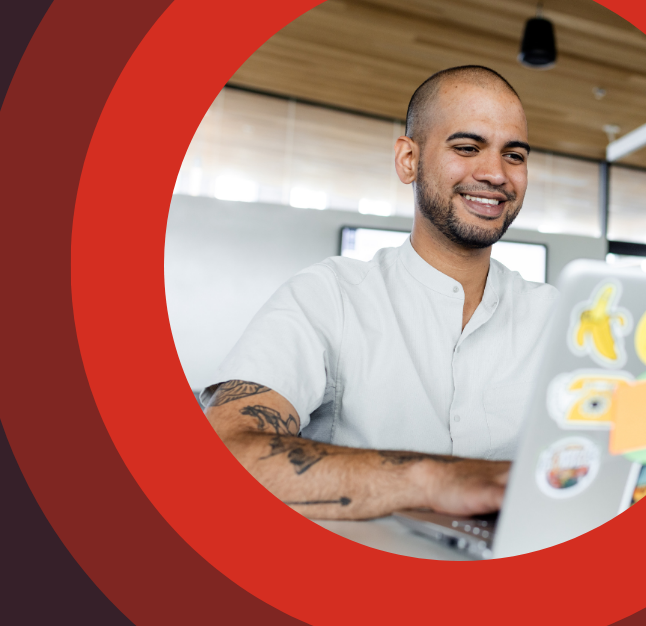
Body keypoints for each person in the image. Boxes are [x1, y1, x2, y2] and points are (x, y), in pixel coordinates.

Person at [202, 66, 559, 520]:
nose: (495, 174)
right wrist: (435, 480)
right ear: (408, 160)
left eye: (514, 155)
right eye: (467, 148)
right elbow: (225, 452)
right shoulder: (328, 296)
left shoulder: (560, 318)